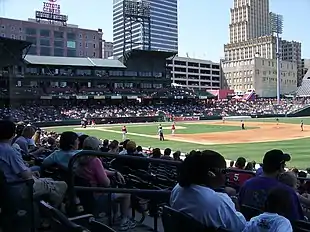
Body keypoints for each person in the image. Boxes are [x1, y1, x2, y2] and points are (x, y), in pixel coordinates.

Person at [170, 150, 246, 231]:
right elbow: (241, 227)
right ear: (211, 173)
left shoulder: (177, 189)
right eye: (224, 171)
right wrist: (234, 199)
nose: (226, 174)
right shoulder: (219, 202)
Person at [0, 120, 67, 208]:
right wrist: (30, 173)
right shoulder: (9, 150)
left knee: (50, 179)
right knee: (62, 185)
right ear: (13, 134)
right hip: (18, 187)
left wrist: (30, 173)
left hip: (9, 186)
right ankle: (51, 216)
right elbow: (26, 175)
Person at [76, 136, 136, 231]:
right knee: (126, 194)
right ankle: (124, 221)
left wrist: (113, 173)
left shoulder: (78, 157)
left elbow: (96, 171)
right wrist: (110, 177)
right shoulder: (95, 160)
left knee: (115, 190)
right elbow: (106, 183)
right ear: (95, 147)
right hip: (97, 195)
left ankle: (115, 217)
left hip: (85, 194)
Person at [238, 149, 304, 221]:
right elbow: (297, 221)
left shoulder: (247, 184)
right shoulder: (287, 191)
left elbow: (239, 209)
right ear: (281, 167)